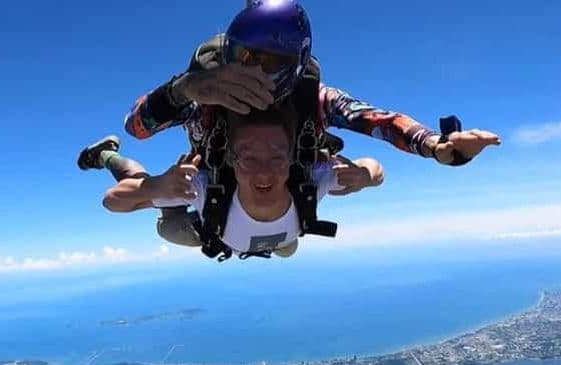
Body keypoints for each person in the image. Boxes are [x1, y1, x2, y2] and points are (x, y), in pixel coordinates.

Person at [113, 0, 500, 247]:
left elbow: (376, 120)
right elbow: (136, 127)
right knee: (171, 227)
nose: (250, 72)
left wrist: (439, 148)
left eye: (267, 62)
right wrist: (186, 88)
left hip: (273, 205)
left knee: (286, 243)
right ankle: (110, 161)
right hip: (211, 201)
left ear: (294, 65)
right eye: (242, 56)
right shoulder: (208, 96)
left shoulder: (311, 99)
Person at [97, 106, 383, 259]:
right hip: (212, 230)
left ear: (292, 159)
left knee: (289, 247)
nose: (263, 173)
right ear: (231, 161)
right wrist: (156, 186)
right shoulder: (203, 186)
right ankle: (106, 154)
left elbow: (377, 169)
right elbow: (112, 200)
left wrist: (365, 175)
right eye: (249, 159)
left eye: (276, 158)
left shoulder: (310, 179)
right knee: (169, 226)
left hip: (272, 237)